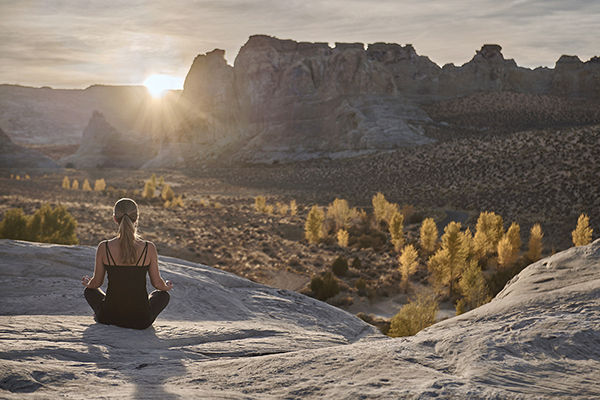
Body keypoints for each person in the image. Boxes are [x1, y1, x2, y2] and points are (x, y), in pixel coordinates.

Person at [81, 198, 173, 329]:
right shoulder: (149, 248)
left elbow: (96, 283)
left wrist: (87, 284)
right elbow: (158, 284)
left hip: (108, 317)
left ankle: (100, 313)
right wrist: (167, 286)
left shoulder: (104, 247)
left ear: (115, 218)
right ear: (136, 219)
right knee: (163, 295)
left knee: (89, 292)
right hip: (141, 320)